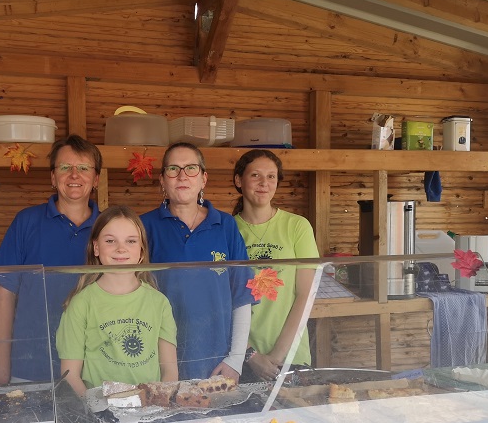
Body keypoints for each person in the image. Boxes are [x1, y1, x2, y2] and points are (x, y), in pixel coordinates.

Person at [0, 134, 102, 385]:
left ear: (95, 179)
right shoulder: (26, 222)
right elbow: (5, 295)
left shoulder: (109, 228)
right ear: (53, 177)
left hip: (95, 364)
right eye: (65, 167)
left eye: (83, 168)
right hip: (31, 362)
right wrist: (0, 360)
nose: (74, 175)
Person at [140, 142, 254, 382]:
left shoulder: (225, 226)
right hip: (157, 362)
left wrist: (235, 359)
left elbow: (243, 296)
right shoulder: (143, 226)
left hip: (217, 364)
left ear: (203, 178)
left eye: (191, 168)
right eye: (173, 169)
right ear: (162, 179)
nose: (182, 176)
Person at [56, 206, 178, 396]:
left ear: (141, 250)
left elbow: (170, 371)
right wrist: (98, 412)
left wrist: (156, 404)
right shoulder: (80, 304)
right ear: (96, 247)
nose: (121, 248)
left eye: (131, 241)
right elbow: (70, 375)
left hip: (149, 414)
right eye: (110, 241)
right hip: (101, 416)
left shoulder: (159, 302)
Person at [232, 149, 320, 379]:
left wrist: (277, 357)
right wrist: (251, 355)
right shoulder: (226, 231)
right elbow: (223, 301)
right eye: (255, 175)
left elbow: (305, 295)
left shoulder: (297, 227)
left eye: (271, 176)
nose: (264, 183)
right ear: (238, 181)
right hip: (240, 358)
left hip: (291, 357)